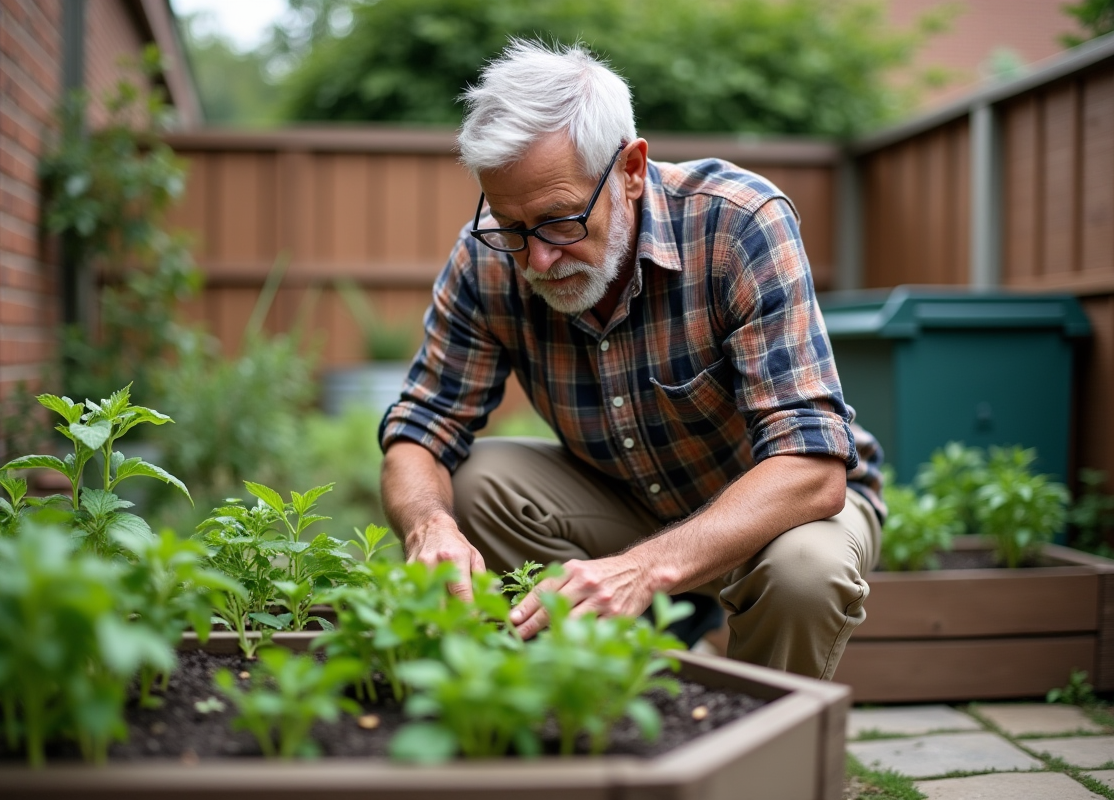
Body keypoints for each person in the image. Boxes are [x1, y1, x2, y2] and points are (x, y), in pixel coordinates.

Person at [378, 39, 884, 679]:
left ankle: (755, 750)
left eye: (561, 221)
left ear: (632, 170)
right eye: (511, 227)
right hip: (625, 504)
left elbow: (812, 469)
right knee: (475, 484)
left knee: (805, 574)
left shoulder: (738, 223)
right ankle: (611, 693)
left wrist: (644, 569)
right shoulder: (486, 259)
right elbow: (420, 428)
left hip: (778, 514)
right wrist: (428, 526)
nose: (537, 259)